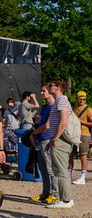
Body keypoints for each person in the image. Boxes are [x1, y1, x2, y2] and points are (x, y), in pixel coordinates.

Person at [44, 79, 74, 209]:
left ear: (57, 88)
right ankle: (64, 199)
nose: (49, 87)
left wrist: (55, 138)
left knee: (61, 171)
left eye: (51, 85)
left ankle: (66, 200)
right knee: (59, 170)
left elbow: (63, 122)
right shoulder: (59, 101)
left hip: (60, 141)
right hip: (57, 140)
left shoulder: (61, 101)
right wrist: (52, 141)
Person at [29, 84, 57, 204]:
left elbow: (47, 125)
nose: (41, 93)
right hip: (40, 139)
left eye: (44, 91)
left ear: (51, 91)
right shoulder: (45, 107)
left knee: (50, 169)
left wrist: (34, 132)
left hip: (48, 139)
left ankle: (55, 194)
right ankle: (46, 193)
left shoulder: (54, 107)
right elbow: (41, 122)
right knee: (43, 169)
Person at [71, 91, 92, 185]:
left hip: (84, 134)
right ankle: (68, 174)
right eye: (80, 99)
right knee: (71, 154)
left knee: (83, 156)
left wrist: (82, 122)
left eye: (83, 99)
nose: (82, 101)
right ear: (77, 99)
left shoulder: (88, 109)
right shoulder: (74, 108)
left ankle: (83, 177)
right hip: (74, 134)